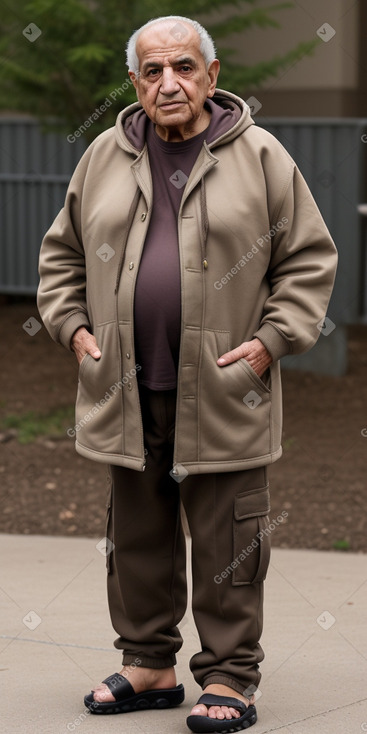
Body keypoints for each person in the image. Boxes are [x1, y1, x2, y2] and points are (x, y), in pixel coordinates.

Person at [37, 14, 338, 733]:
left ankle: (230, 677)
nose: (167, 83)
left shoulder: (261, 155)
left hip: (227, 387)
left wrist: (269, 343)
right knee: (135, 535)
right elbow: (61, 258)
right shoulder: (105, 156)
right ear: (135, 83)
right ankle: (148, 663)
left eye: (181, 67)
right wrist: (75, 330)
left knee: (231, 538)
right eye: (151, 71)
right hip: (124, 388)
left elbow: (307, 260)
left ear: (211, 75)